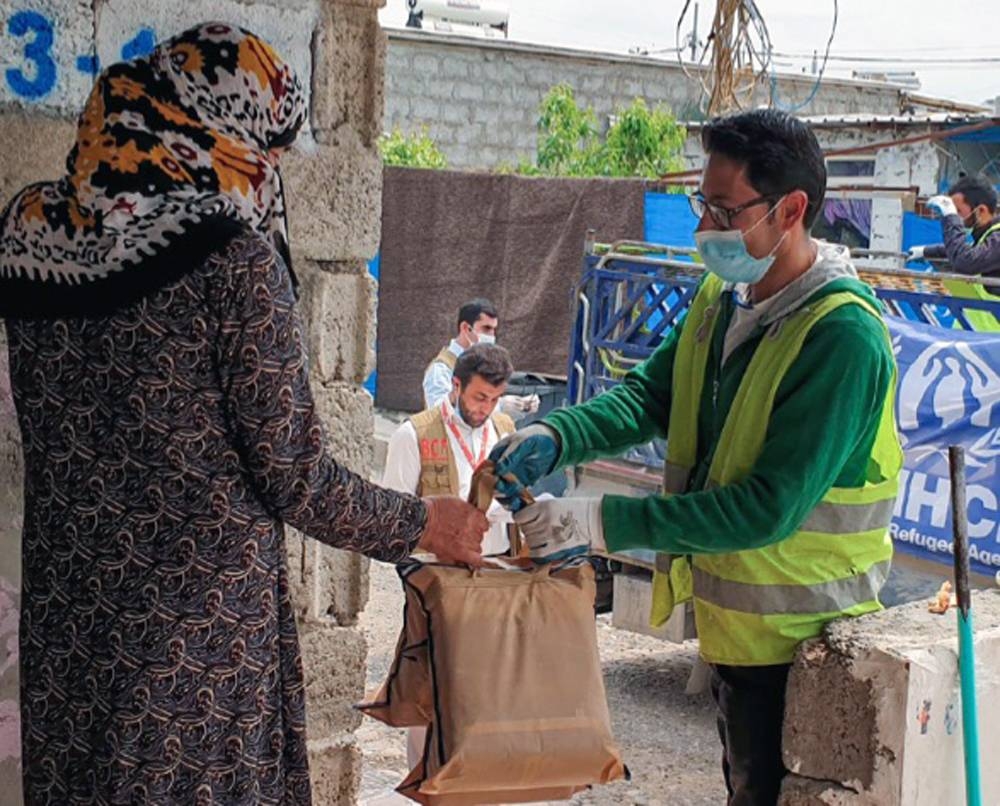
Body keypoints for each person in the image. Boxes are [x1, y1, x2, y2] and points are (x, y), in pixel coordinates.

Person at [0, 24, 487, 805]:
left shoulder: (28, 230)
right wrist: (422, 523)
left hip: (72, 627)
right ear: (225, 140)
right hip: (195, 649)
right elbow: (296, 478)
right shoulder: (230, 262)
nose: (274, 172)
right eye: (269, 149)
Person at [490, 109, 902, 806]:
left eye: (723, 207)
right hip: (736, 637)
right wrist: (559, 437)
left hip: (802, 647)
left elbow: (766, 508)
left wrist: (599, 524)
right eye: (700, 202)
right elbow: (651, 398)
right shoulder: (723, 298)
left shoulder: (842, 340)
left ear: (792, 209)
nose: (705, 225)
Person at [385, 343, 517, 557]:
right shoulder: (413, 434)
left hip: (497, 566)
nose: (486, 409)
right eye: (480, 397)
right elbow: (394, 514)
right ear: (456, 385)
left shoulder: (505, 429)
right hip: (439, 571)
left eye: (495, 399)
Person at [907, 175, 1000, 331]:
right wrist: (925, 252)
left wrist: (950, 218)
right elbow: (964, 251)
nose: (956, 218)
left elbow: (966, 261)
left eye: (958, 212)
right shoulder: (986, 239)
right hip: (974, 339)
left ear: (981, 210)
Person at [422, 298, 539, 415]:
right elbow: (437, 414)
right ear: (466, 328)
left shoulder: (483, 363)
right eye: (486, 328)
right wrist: (500, 406)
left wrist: (521, 408)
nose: (492, 335)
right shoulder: (441, 369)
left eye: (494, 329)